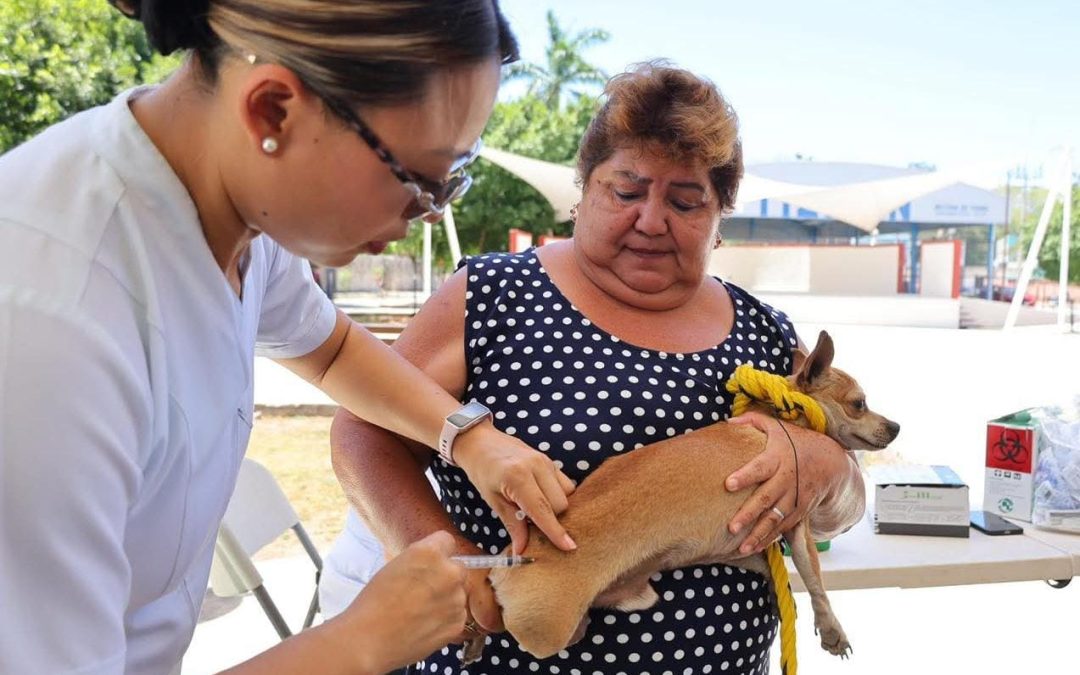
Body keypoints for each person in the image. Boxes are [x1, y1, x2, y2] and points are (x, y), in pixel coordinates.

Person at [0, 1, 580, 673]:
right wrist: (360, 640)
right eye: (417, 179)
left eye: (450, 178)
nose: (425, 216)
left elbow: (331, 348)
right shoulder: (51, 323)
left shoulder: (236, 210)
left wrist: (472, 439)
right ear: (273, 111)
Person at [330, 62, 867, 675]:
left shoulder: (765, 331)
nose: (651, 219)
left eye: (687, 202)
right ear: (583, 193)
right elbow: (363, 430)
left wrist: (825, 465)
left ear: (720, 222)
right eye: (627, 191)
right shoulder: (496, 295)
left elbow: (843, 508)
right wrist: (435, 549)